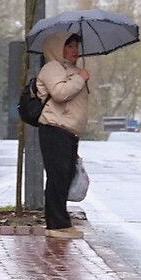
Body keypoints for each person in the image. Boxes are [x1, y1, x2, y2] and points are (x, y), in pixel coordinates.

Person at [36, 32, 90, 233]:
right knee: (57, 177)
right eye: (69, 46)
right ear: (57, 48)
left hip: (68, 132)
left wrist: (79, 76)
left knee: (65, 176)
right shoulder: (52, 67)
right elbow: (59, 93)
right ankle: (57, 225)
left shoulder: (73, 70)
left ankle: (60, 221)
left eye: (76, 46)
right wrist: (80, 78)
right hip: (54, 129)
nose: (75, 50)